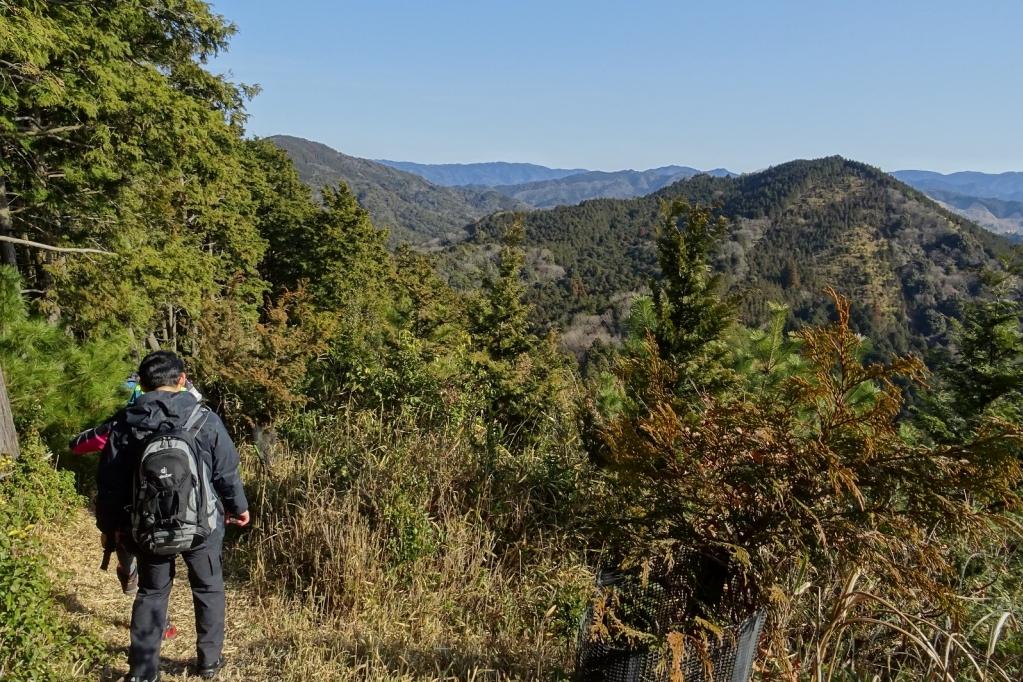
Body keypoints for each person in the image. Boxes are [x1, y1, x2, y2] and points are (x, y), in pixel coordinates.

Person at [95, 351, 250, 682]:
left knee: (152, 592)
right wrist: (238, 507)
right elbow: (226, 471)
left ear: (143, 383)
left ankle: (144, 671)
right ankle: (208, 662)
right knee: (208, 587)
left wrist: (109, 527)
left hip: (148, 526)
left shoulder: (126, 423)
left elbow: (109, 483)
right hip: (202, 524)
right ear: (182, 379)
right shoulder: (203, 418)